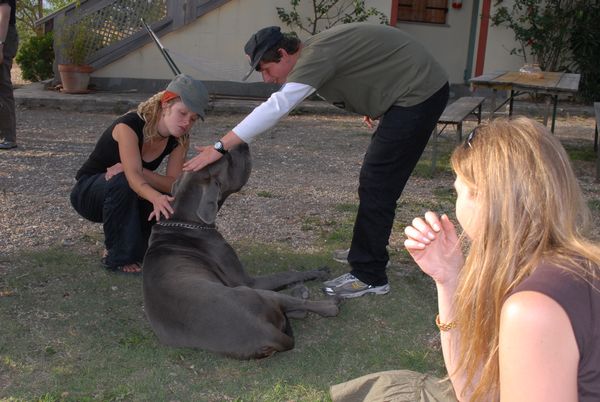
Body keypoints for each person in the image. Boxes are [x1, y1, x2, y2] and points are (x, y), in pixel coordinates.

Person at [333, 117, 600, 401]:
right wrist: (448, 279)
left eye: (457, 192)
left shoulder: (533, 311)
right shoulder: (577, 267)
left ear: (485, 199)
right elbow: (476, 391)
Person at [183, 23, 449, 298]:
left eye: (267, 69)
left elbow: (276, 107)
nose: (267, 79)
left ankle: (370, 275)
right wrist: (376, 99)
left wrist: (220, 147)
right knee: (376, 180)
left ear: (283, 54)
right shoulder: (314, 51)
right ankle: (369, 249)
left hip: (419, 94)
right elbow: (366, 64)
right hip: (408, 92)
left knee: (377, 182)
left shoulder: (314, 58)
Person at [70, 74, 209, 274]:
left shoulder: (180, 138)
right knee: (124, 181)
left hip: (130, 194)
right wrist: (152, 193)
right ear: (166, 103)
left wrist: (141, 173)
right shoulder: (129, 125)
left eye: (193, 119)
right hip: (89, 194)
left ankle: (146, 248)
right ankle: (116, 256)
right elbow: (133, 177)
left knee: (170, 202)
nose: (187, 122)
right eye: (183, 113)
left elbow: (174, 185)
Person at [0, 0, 17, 150]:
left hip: (4, 36)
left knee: (2, 87)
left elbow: (4, 15)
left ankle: (9, 137)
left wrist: (0, 45)